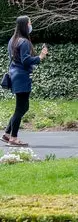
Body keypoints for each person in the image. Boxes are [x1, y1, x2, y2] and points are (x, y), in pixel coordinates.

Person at [4, 16, 48, 147]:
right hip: (22, 77)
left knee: (23, 107)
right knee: (20, 108)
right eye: (29, 23)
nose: (31, 25)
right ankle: (13, 138)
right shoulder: (24, 42)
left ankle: (7, 134)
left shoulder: (12, 40)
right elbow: (26, 60)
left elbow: (15, 58)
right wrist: (40, 57)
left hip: (15, 75)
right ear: (24, 25)